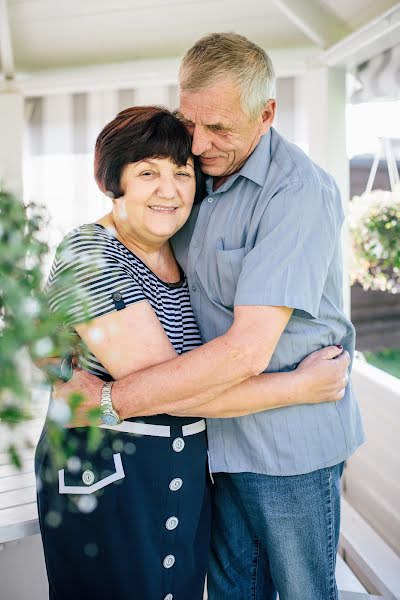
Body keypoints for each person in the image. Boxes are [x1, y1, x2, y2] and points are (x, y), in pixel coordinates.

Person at [36, 105, 349, 600]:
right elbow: (174, 390)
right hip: (114, 480)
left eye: (182, 173)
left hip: (181, 474)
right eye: (147, 173)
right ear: (110, 181)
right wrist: (298, 387)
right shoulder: (91, 255)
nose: (169, 189)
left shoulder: (179, 249)